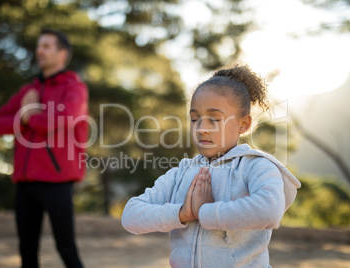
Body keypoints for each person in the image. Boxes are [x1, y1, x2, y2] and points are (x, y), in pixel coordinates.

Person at [121, 65, 301, 268]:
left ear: (244, 124)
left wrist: (205, 212)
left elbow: (269, 210)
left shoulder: (256, 166)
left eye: (214, 119)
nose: (202, 129)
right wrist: (183, 213)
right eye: (195, 119)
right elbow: (131, 215)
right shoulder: (182, 172)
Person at [0, 29, 87, 268]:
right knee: (27, 252)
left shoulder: (74, 88)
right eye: (38, 46)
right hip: (25, 183)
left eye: (46, 46)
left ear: (62, 54)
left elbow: (66, 118)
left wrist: (30, 118)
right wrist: (23, 118)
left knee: (67, 250)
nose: (39, 51)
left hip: (57, 180)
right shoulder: (27, 92)